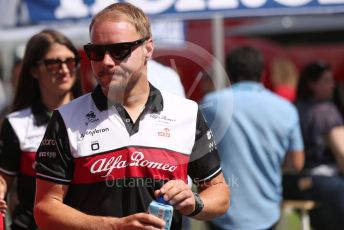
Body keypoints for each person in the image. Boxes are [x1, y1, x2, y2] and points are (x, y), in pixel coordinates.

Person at [33, 3, 229, 230]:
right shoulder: (66, 119)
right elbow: (45, 209)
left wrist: (194, 202)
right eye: (96, 52)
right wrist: (114, 226)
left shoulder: (186, 113)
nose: (106, 61)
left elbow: (219, 192)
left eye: (119, 50)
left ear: (148, 48)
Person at [201, 46, 304, 230]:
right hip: (268, 210)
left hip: (222, 211)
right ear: (263, 74)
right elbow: (296, 163)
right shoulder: (286, 109)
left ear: (229, 74)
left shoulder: (211, 104)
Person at [0, 29, 83, 230]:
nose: (64, 69)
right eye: (54, 63)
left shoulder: (97, 116)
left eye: (70, 61)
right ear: (34, 70)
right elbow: (3, 180)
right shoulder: (17, 123)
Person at [283, 61, 344, 230]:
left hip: (291, 183)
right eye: (326, 80)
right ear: (312, 84)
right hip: (325, 182)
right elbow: (342, 152)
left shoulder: (292, 109)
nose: (332, 85)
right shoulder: (326, 110)